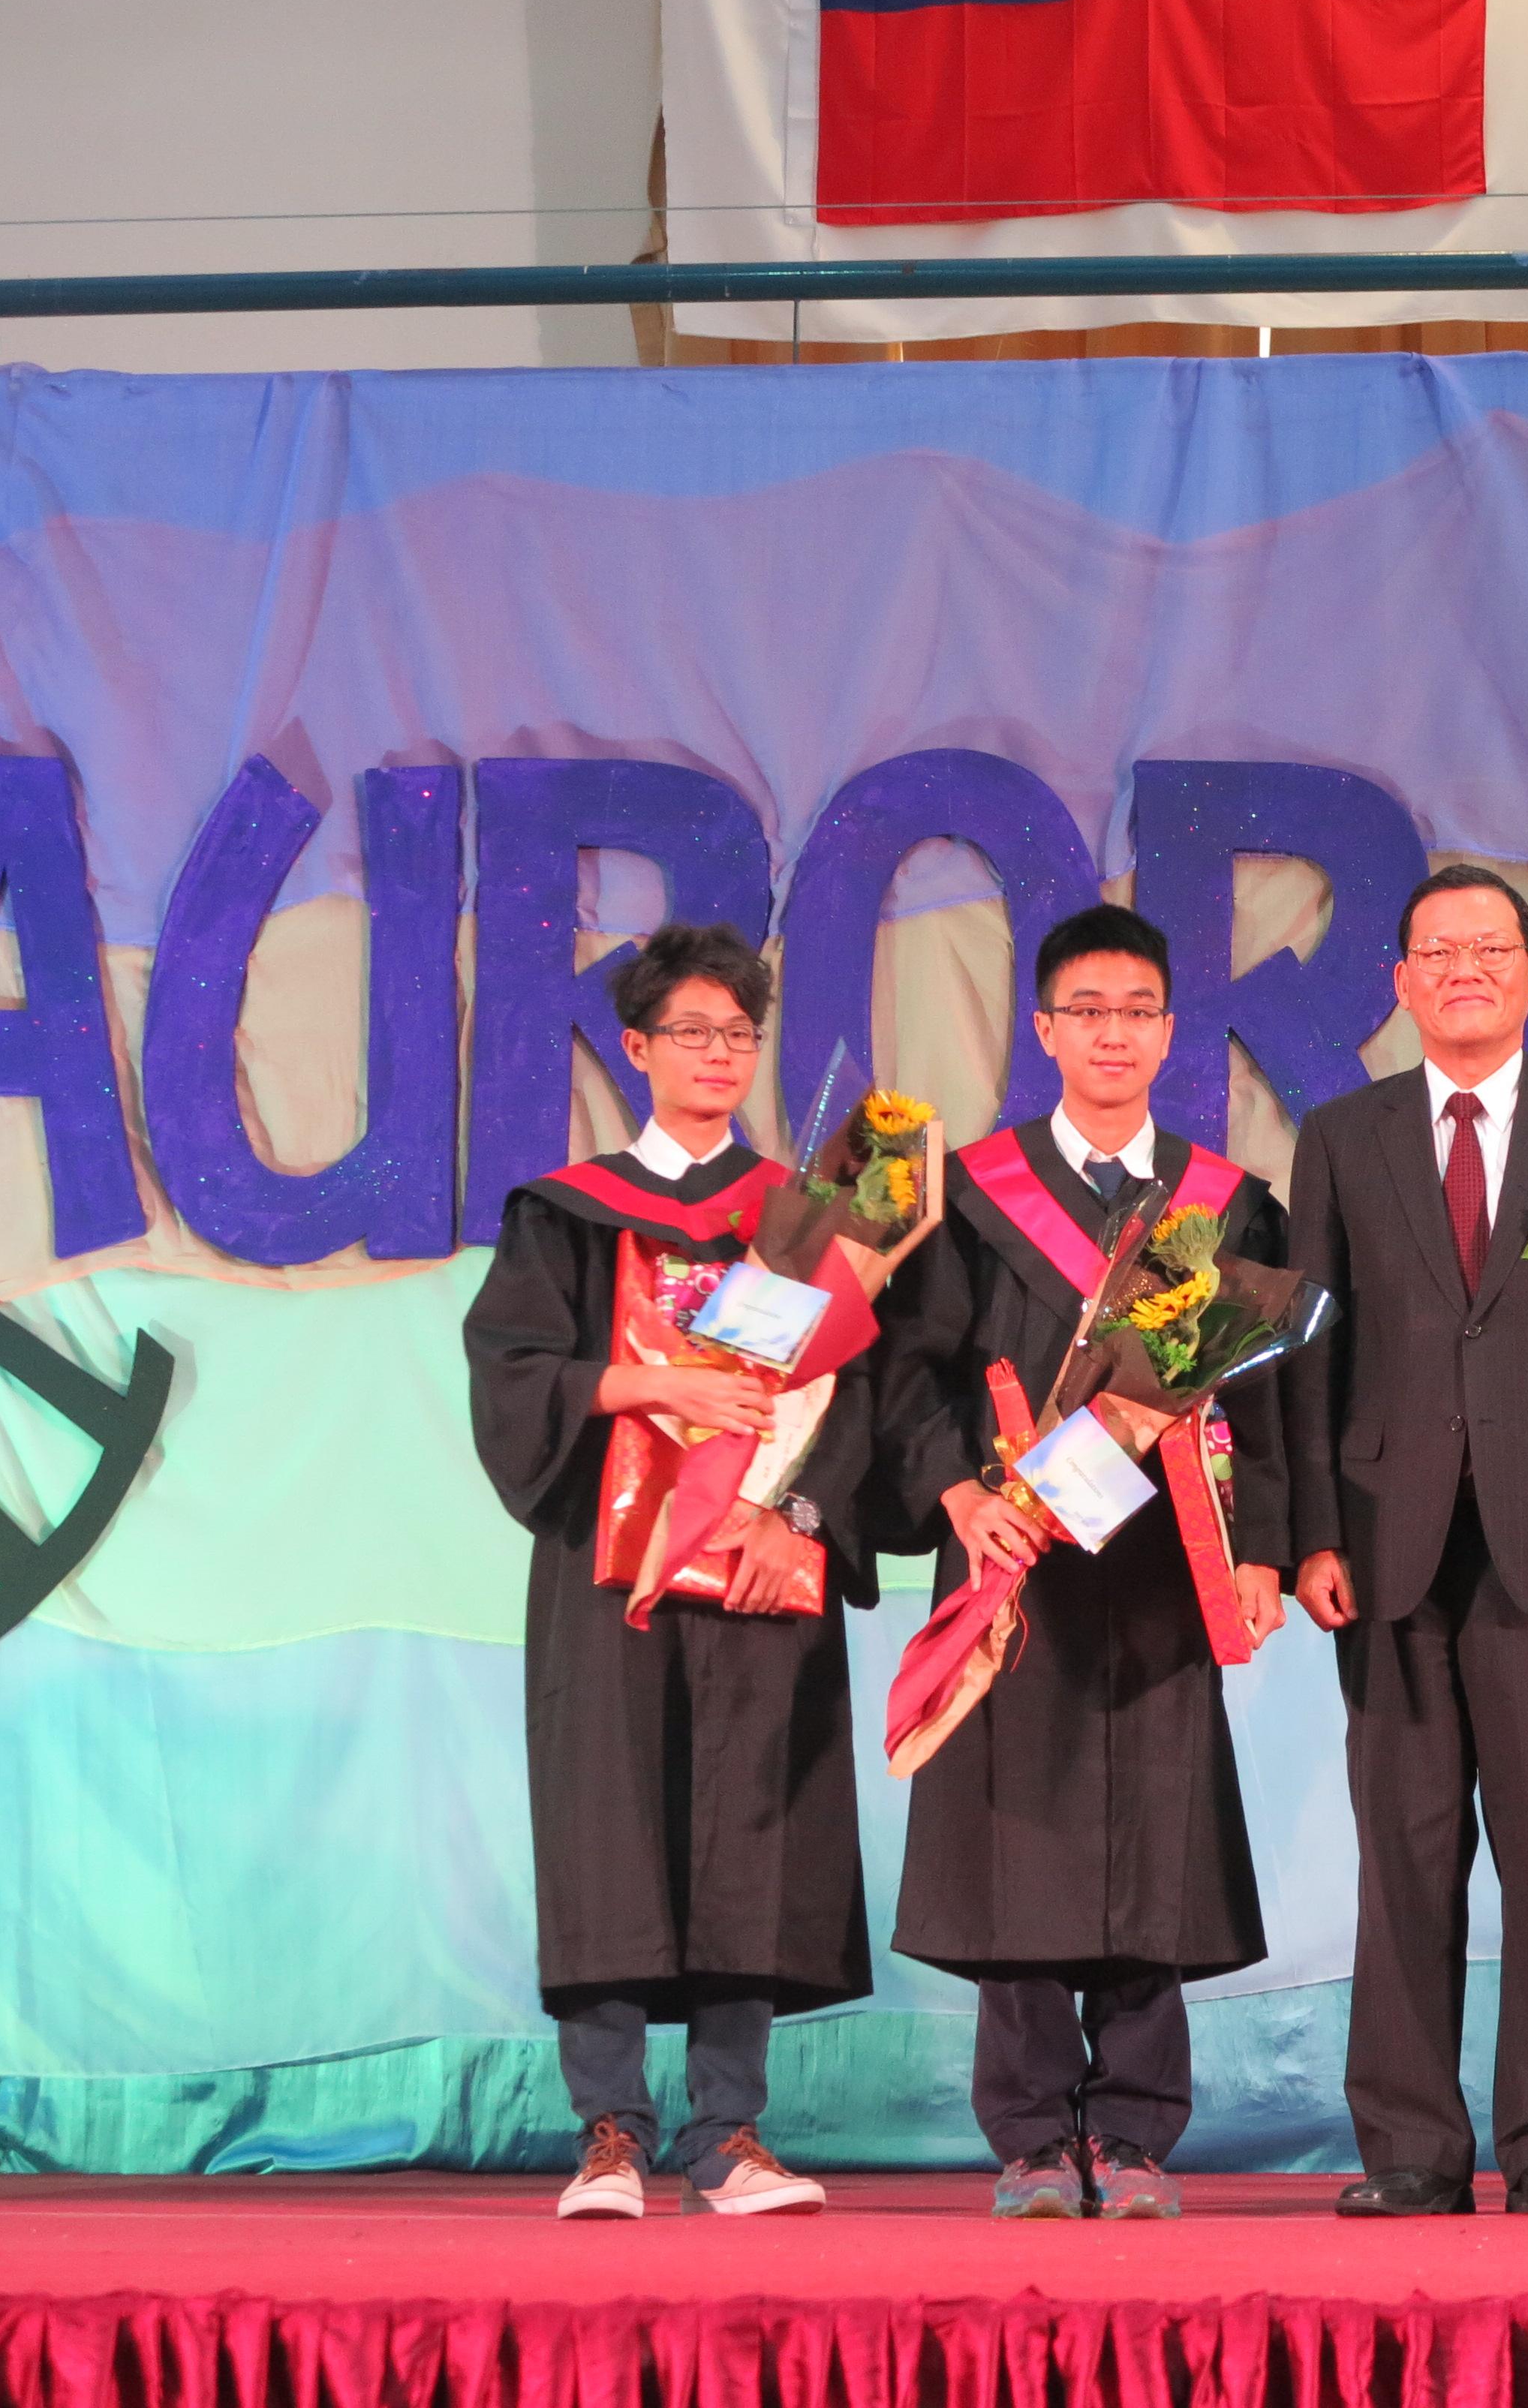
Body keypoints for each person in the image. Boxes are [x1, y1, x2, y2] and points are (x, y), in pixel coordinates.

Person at [872, 903, 1289, 2223]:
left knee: (1153, 1841)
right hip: (1019, 1559)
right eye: (1087, 1011)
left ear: (1170, 1031)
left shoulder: (1227, 1206)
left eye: (1139, 1011)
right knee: (1022, 1839)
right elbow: (913, 1370)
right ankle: (1034, 2139)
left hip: (1167, 1562)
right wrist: (953, 1495)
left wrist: (1267, 1551)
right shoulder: (974, 1199)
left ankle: (1137, 2135)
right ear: (1044, 1029)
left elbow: (1269, 1403)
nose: (1114, 1033)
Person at [462, 921, 875, 2222]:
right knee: (612, 1830)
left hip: (756, 1570)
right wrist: (645, 1376)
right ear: (635, 1049)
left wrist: (795, 1515)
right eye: (689, 1033)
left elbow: (858, 1393)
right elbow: (513, 1373)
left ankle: (729, 2134)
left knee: (746, 1832)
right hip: (613, 1568)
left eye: (737, 1035)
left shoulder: (807, 1224)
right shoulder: (567, 1213)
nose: (716, 1055)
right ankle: (610, 2133)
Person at [1281, 865, 1528, 2217]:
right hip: (1384, 1547)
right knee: (1403, 1858)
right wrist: (1308, 1535)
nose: (1464, 969)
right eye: (1436, 950)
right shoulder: (1341, 1135)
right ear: (1397, 979)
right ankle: (1408, 2150)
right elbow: (1306, 1354)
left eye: (1488, 948)